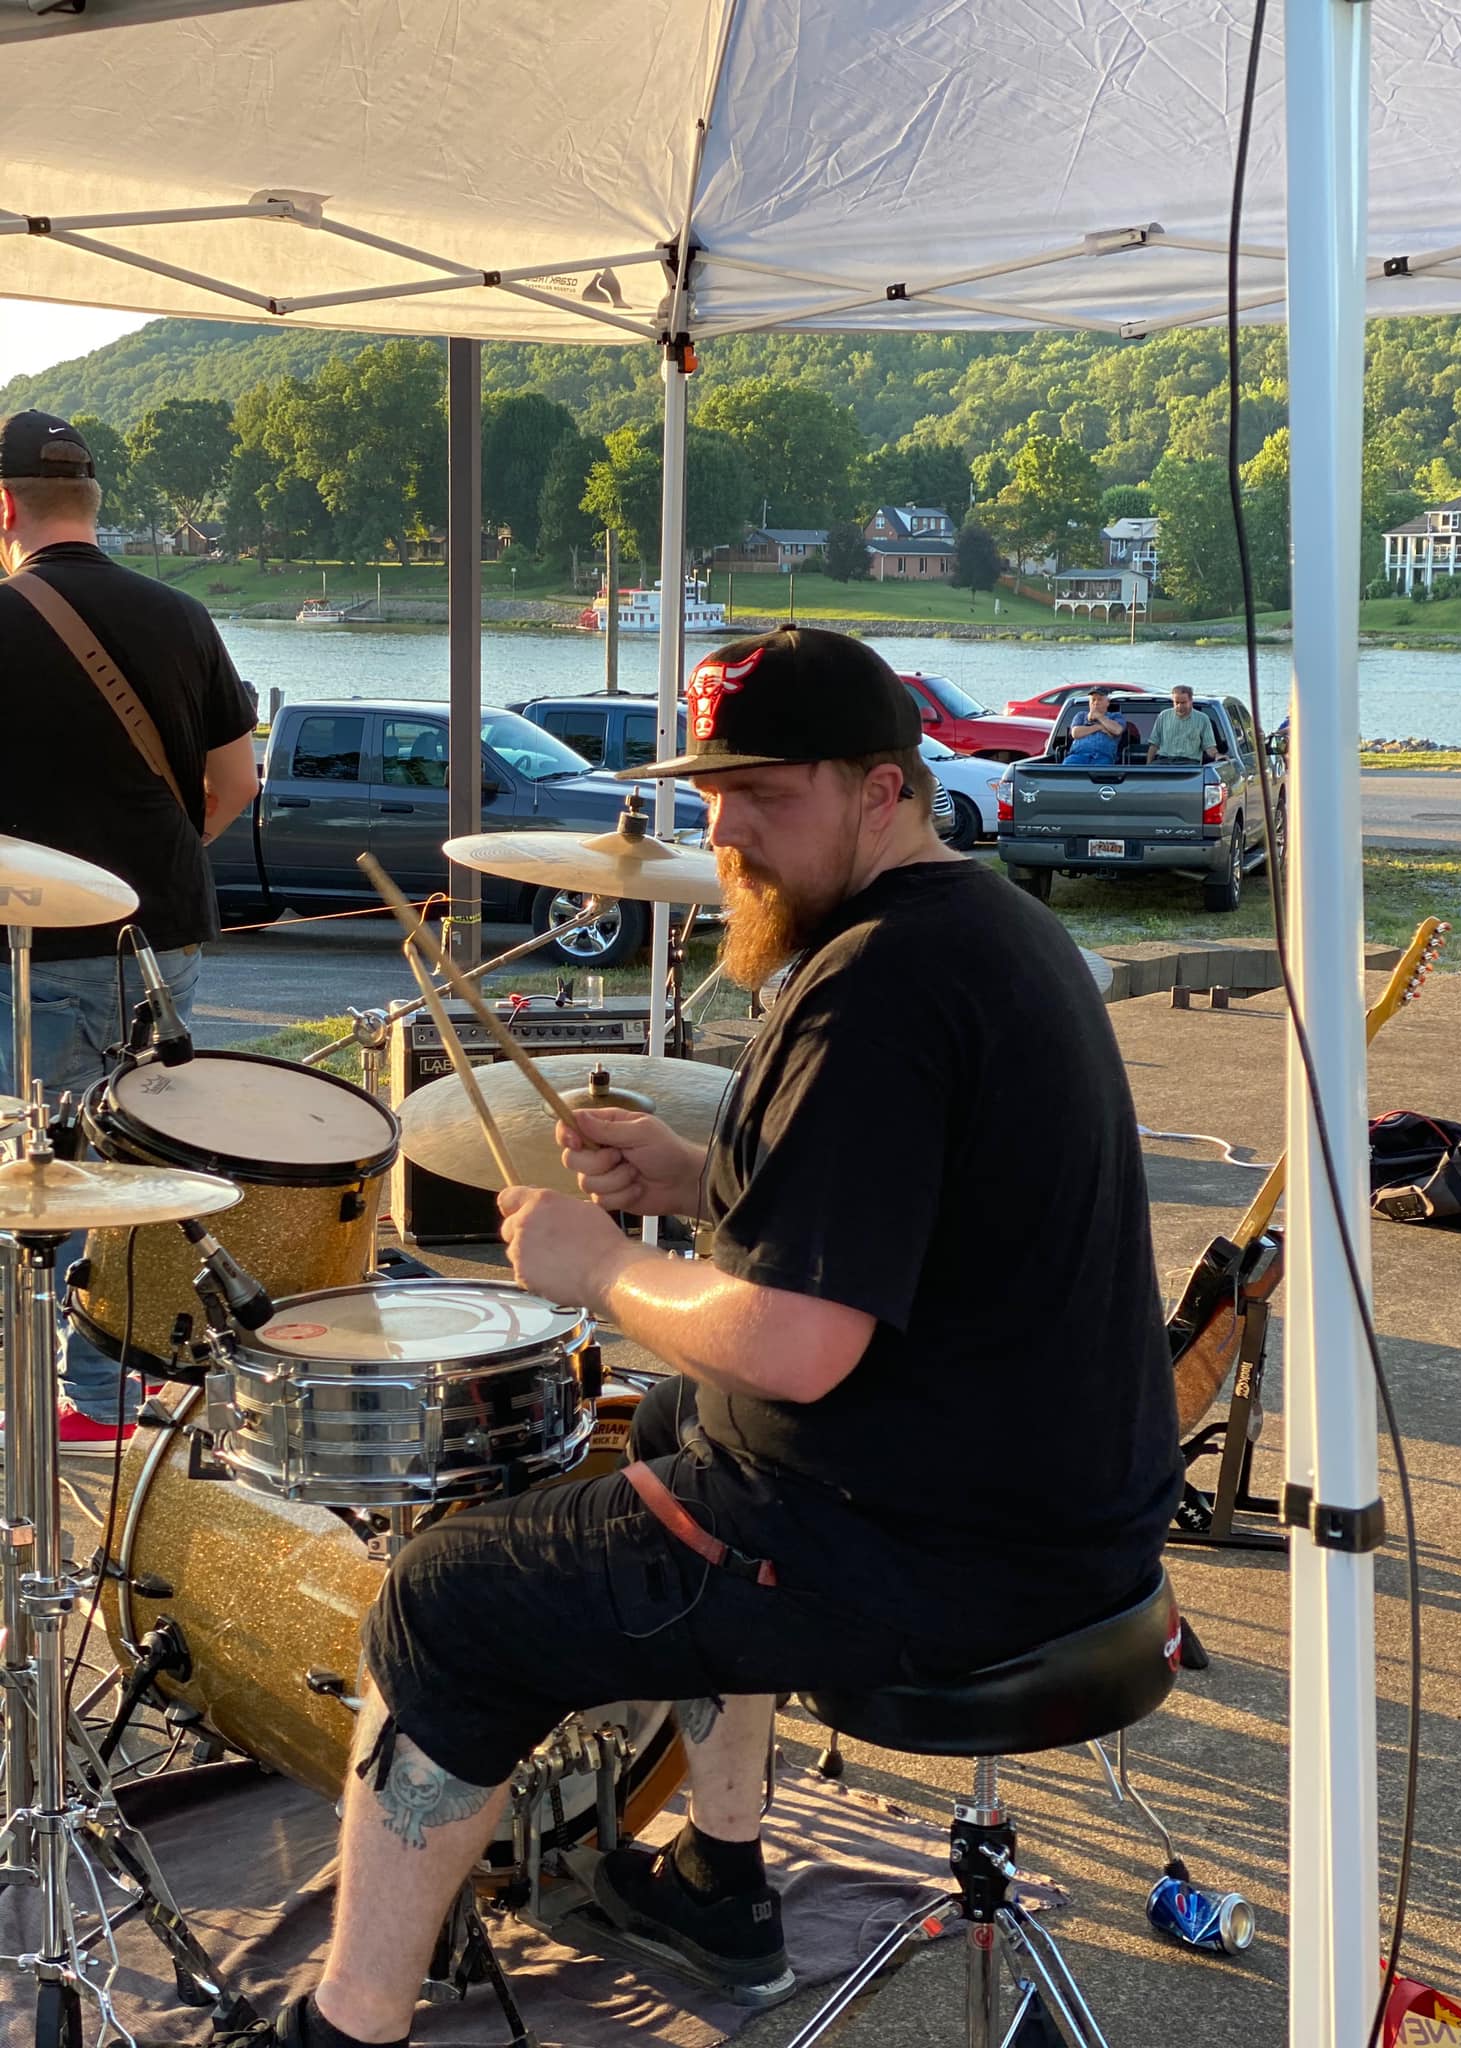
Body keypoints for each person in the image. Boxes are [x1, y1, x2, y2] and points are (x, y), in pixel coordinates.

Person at [237, 627, 1180, 2048]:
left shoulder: (877, 988)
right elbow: (910, 1220)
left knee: (447, 1601)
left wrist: (604, 1265)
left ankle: (346, 2026)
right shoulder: (986, 932)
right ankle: (716, 1875)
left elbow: (795, 1349)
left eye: (766, 795)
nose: (726, 832)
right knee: (680, 1421)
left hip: (940, 1556)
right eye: (714, 793)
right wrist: (692, 1182)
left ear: (883, 787)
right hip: (1055, 1514)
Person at [0, 410, 259, 1451]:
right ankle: (107, 1392)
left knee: (40, 1173)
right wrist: (146, 861)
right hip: (166, 936)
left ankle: (65, 1404)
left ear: (5, 508)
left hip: (34, 954)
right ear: (93, 502)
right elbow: (236, 782)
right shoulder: (183, 614)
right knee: (131, 1160)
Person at [1145, 683, 1216, 763]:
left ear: (1191, 701)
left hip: (1189, 762)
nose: (1179, 706)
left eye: (1183, 703)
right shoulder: (1163, 716)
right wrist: (1148, 766)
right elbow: (1154, 744)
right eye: (1177, 703)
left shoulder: (1202, 719)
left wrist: (1217, 755)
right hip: (1164, 761)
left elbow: (1209, 746)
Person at [1062, 684, 1126, 764]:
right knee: (1067, 764)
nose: (1096, 703)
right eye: (1093, 700)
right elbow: (1075, 733)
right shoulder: (1081, 716)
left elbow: (1117, 730)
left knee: (1101, 768)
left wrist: (1099, 716)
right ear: (1089, 702)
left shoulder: (1115, 716)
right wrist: (1099, 727)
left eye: (1100, 699)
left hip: (1103, 757)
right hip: (1078, 756)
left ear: (1107, 702)